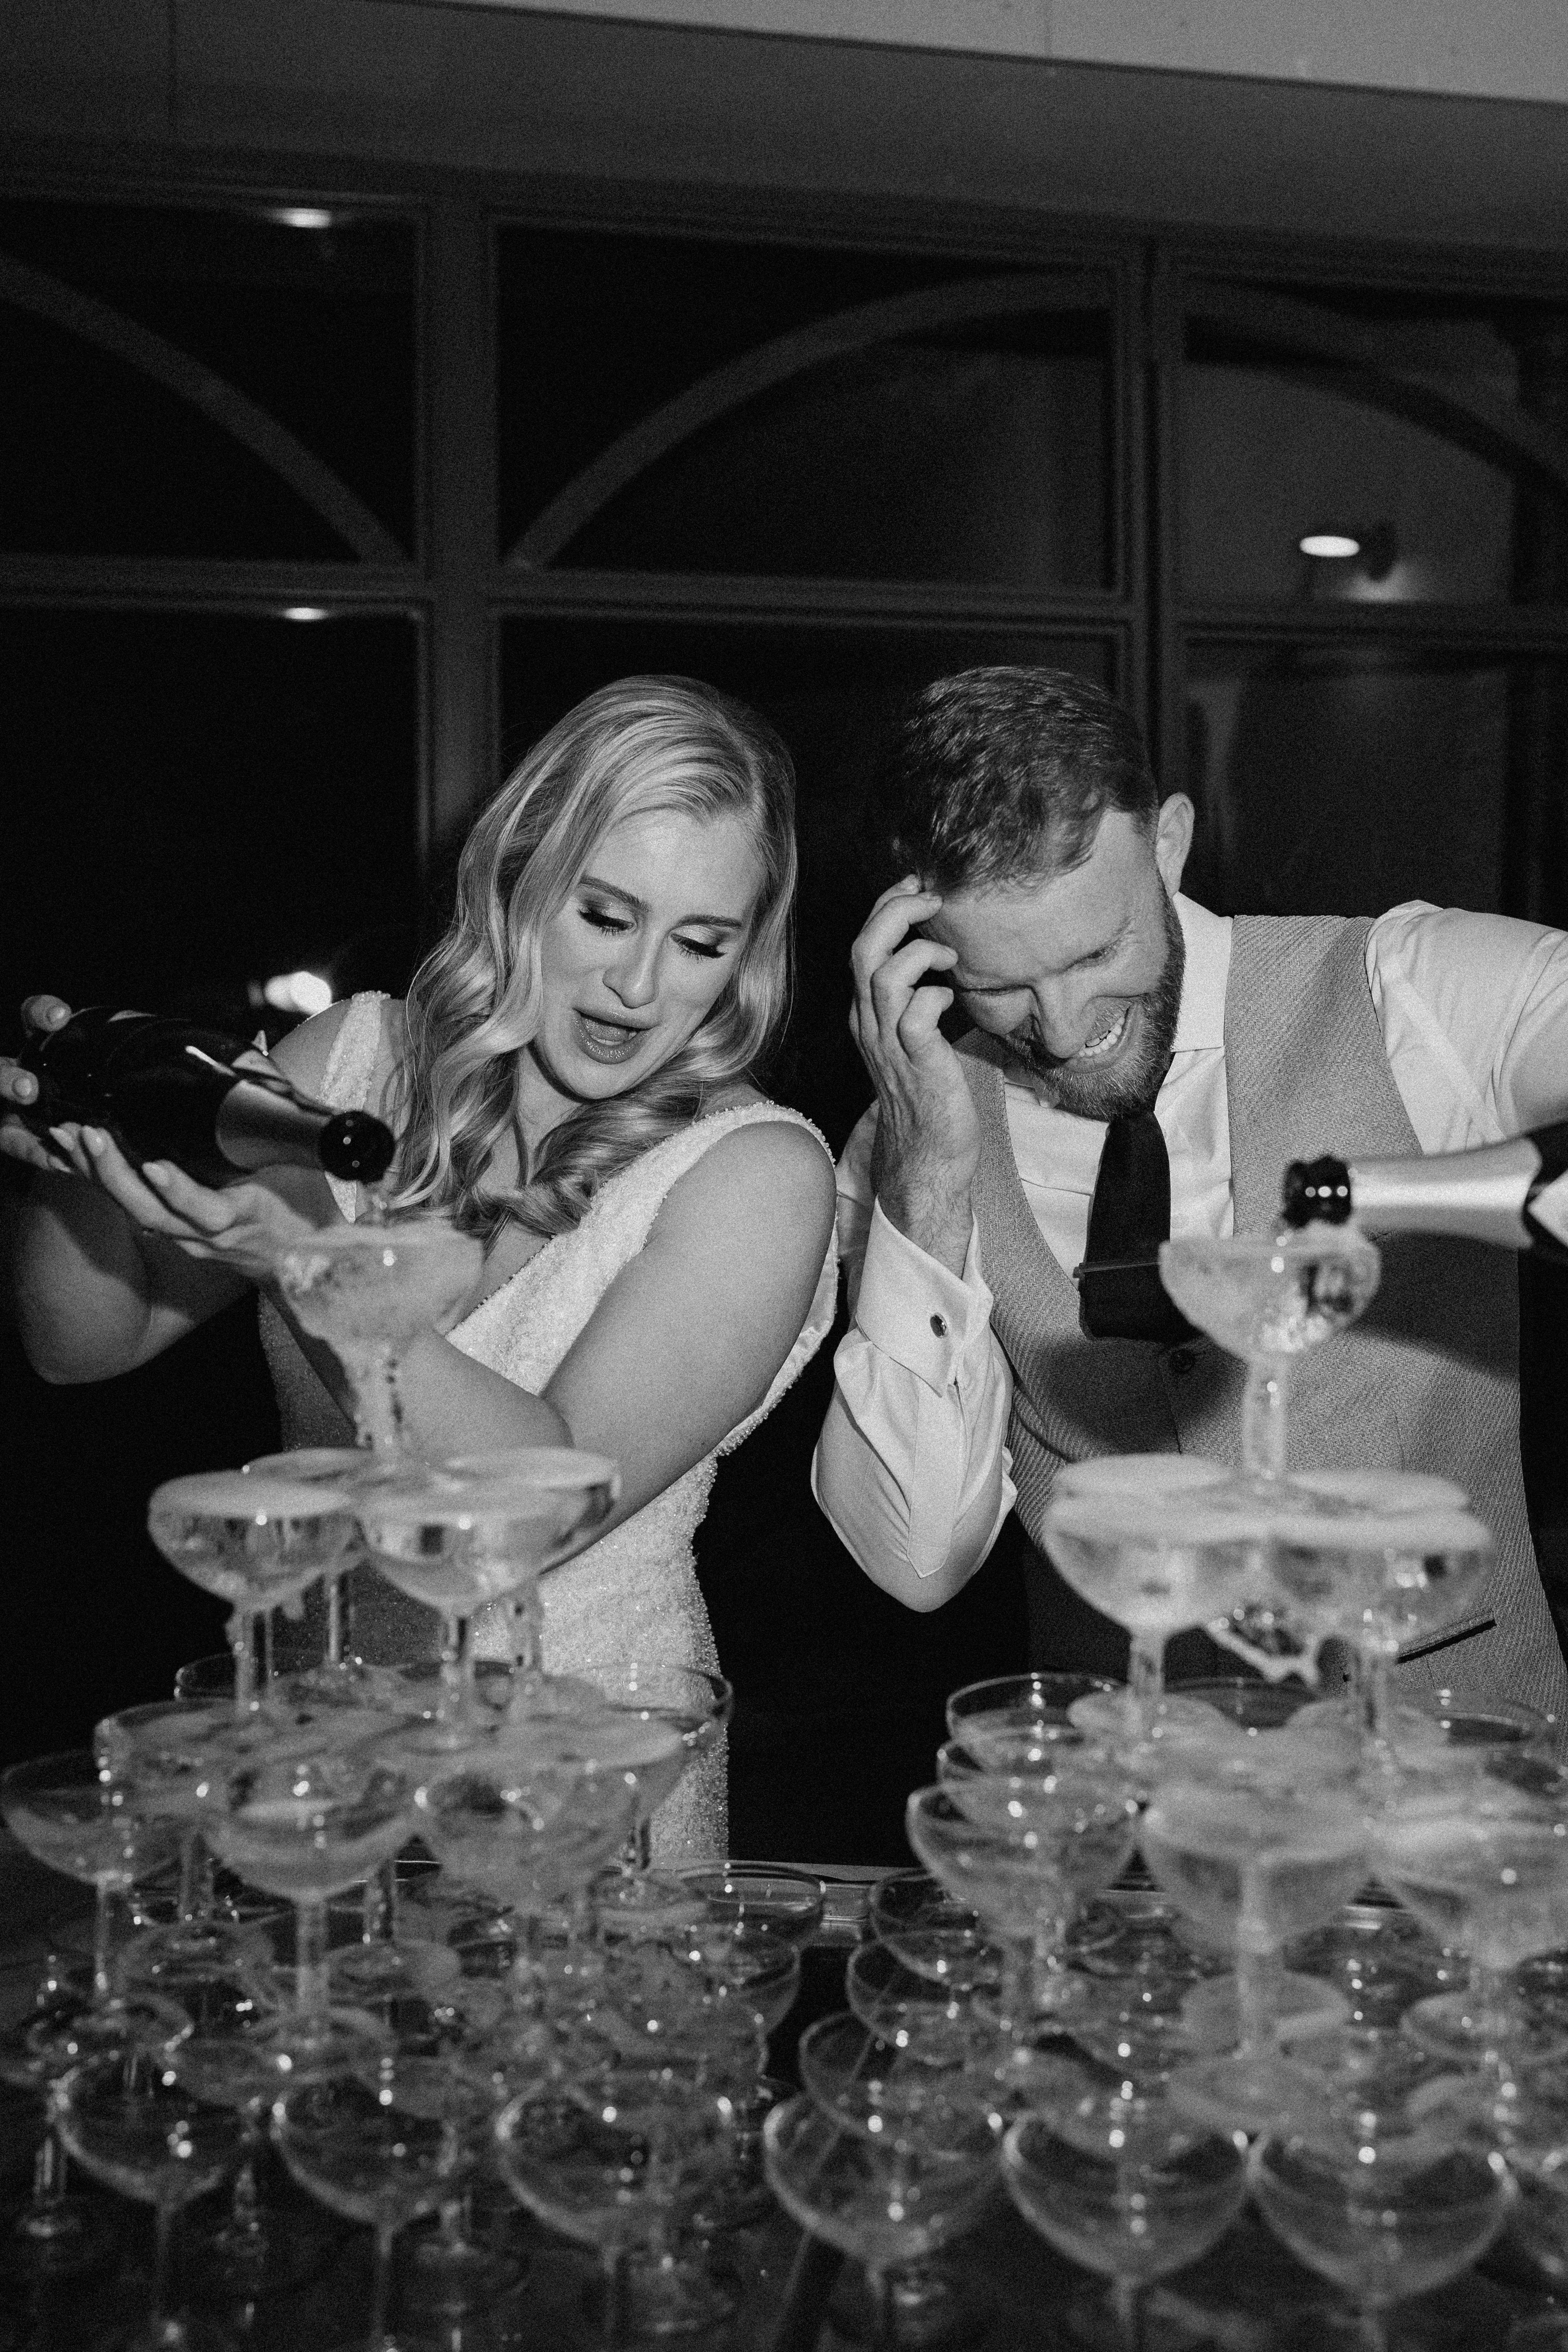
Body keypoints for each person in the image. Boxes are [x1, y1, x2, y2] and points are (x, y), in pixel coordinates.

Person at [3, 675, 839, 1857]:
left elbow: (537, 1506)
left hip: (580, 1791)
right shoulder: (348, 1061)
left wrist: (309, 1260)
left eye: (701, 942)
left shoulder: (753, 1173)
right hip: (322, 1773)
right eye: (605, 915)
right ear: (520, 876)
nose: (641, 987)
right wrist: (85, 1148)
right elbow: (75, 1342)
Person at [813, 663, 1568, 1726]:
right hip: (1131, 1839)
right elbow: (915, 1559)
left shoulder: (1412, 990)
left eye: (1096, 948)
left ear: (1167, 843)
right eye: (1001, 983)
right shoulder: (904, 1145)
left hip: (1459, 1791)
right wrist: (926, 1184)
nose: (1065, 1027)